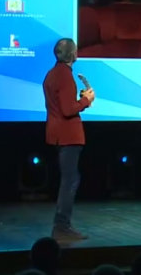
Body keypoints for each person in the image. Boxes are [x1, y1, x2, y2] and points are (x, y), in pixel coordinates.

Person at [43, 38, 95, 241]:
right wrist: (86, 101)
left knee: (69, 179)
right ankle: (62, 226)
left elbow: (60, 105)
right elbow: (67, 110)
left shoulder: (51, 74)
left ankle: (62, 226)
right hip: (68, 135)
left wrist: (79, 101)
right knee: (69, 181)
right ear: (73, 55)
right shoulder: (65, 76)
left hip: (57, 134)